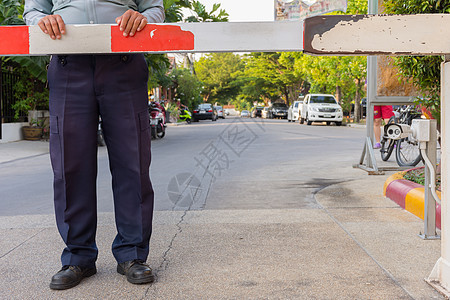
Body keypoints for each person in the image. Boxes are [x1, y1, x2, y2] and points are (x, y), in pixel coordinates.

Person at [23, 0, 165, 290]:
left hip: (123, 61)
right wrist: (42, 20)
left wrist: (141, 17)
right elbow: (32, 10)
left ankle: (133, 254)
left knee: (132, 162)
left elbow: (155, 9)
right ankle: (78, 256)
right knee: (70, 165)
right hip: (67, 64)